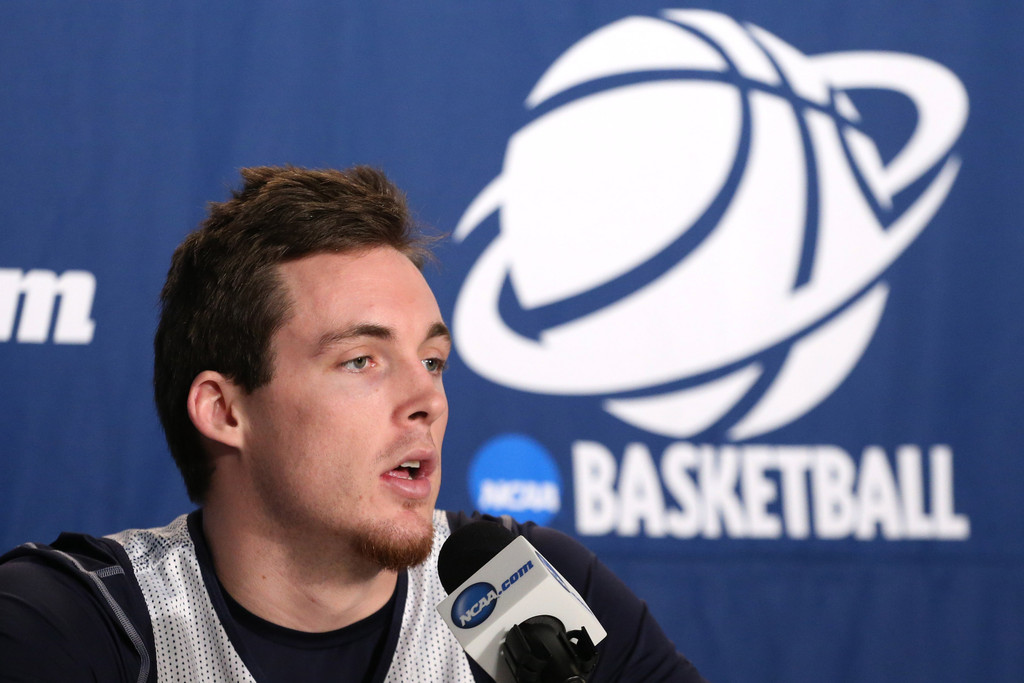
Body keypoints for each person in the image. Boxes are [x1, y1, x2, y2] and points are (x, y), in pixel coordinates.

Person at [0, 165, 706, 682]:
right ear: (225, 411)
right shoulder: (76, 625)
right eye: (362, 360)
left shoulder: (522, 590)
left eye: (432, 360)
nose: (427, 398)